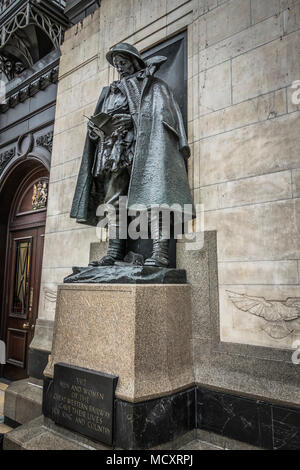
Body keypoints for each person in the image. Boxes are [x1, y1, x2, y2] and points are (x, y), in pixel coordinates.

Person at [70, 43, 193, 267]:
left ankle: (160, 252)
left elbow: (164, 115)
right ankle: (114, 251)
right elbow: (100, 120)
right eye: (117, 65)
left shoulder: (153, 86)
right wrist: (95, 131)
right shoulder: (110, 92)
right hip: (115, 152)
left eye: (124, 63)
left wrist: (132, 121)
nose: (120, 68)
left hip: (145, 148)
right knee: (113, 201)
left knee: (156, 196)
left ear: (134, 62)